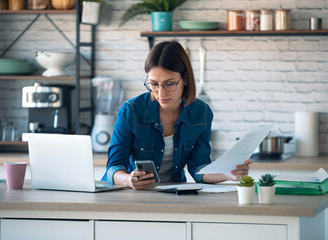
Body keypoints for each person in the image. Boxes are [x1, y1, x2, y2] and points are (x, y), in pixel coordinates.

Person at [101, 40, 252, 190]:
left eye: (169, 83)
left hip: (174, 192)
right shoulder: (131, 111)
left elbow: (198, 167)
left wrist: (227, 173)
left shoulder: (201, 113)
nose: (161, 93)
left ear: (185, 79)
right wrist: (128, 180)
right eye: (154, 84)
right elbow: (113, 167)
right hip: (131, 194)